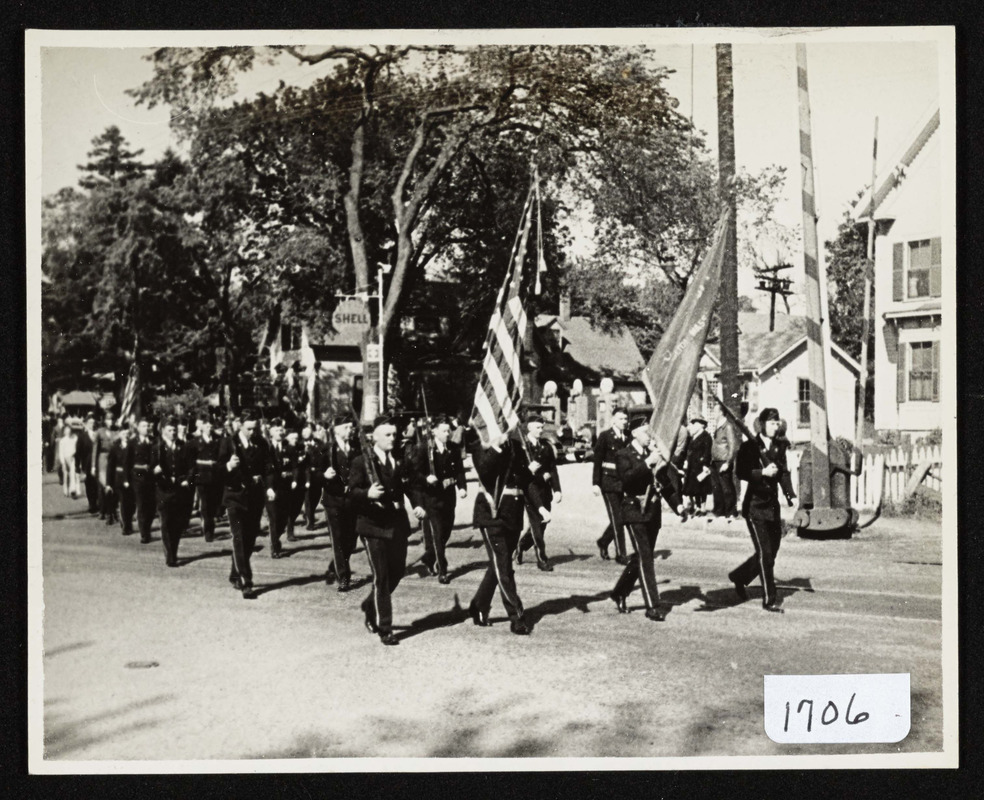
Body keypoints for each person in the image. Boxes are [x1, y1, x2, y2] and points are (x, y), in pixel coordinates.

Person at [348, 416, 426, 646]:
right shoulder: (361, 462)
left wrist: (418, 504)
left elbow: (410, 485)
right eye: (388, 435)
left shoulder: (400, 460)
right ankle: (385, 628)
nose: (394, 438)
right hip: (372, 525)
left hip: (396, 524)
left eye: (395, 434)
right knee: (381, 577)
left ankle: (370, 604)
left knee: (397, 572)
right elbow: (351, 492)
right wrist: (367, 494)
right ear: (375, 438)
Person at [467, 429, 532, 635]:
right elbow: (485, 470)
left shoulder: (515, 446)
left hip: (513, 515)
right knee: (503, 566)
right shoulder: (481, 444)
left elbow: (525, 480)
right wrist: (496, 445)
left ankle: (479, 604)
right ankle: (517, 616)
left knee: (499, 565)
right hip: (491, 514)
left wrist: (539, 508)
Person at [728, 407, 789, 614]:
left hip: (773, 506)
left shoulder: (780, 446)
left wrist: (791, 495)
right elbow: (741, 472)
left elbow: (783, 472)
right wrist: (762, 472)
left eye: (777, 422)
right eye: (772, 423)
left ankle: (740, 577)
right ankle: (769, 599)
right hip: (754, 506)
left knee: (772, 551)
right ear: (762, 425)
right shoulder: (749, 447)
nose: (776, 426)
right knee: (765, 553)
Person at [610, 415, 666, 622]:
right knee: (646, 558)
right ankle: (653, 605)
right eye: (645, 431)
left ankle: (619, 592)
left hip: (652, 512)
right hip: (634, 510)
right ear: (634, 433)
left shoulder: (652, 454)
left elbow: (663, 481)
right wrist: (647, 463)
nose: (648, 435)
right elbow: (627, 479)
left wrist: (678, 504)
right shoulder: (623, 454)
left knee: (642, 557)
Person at [218, 412, 272, 599]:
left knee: (249, 540)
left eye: (254, 428)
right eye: (248, 428)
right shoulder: (228, 443)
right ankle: (246, 581)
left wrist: (270, 487)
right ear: (239, 425)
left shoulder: (261, 443)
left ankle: (235, 572)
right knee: (239, 538)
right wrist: (228, 466)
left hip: (254, 497)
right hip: (235, 496)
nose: (252, 432)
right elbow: (216, 470)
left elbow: (268, 466)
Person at [412, 415, 468, 584]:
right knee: (437, 534)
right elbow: (414, 474)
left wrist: (462, 486)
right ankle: (442, 569)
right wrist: (425, 479)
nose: (447, 433)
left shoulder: (453, 448)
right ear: (434, 431)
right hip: (432, 498)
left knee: (446, 531)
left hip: (449, 497)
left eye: (448, 430)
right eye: (443, 431)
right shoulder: (424, 449)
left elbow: (459, 470)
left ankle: (429, 558)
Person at [515, 416, 562, 571]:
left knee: (542, 525)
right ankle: (542, 559)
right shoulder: (521, 447)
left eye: (542, 427)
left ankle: (521, 546)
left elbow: (552, 469)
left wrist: (557, 490)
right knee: (536, 524)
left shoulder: (546, 447)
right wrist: (529, 471)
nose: (540, 430)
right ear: (529, 428)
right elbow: (518, 474)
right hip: (529, 490)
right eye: (537, 427)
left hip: (544, 491)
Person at [319, 414, 358, 591]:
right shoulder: (326, 449)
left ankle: (336, 565)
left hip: (352, 500)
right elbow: (312, 473)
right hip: (333, 500)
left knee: (351, 539)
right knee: (338, 538)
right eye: (346, 428)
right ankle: (343, 576)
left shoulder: (356, 447)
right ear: (336, 430)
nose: (350, 431)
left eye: (351, 427)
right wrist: (323, 476)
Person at [152, 417, 193, 567]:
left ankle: (174, 551)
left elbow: (191, 467)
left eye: (174, 430)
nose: (173, 433)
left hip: (179, 490)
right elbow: (148, 469)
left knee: (177, 524)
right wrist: (154, 471)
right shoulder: (157, 447)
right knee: (166, 523)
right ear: (163, 431)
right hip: (163, 490)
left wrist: (188, 479)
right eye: (169, 430)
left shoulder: (183, 446)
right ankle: (170, 556)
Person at [592, 406, 630, 564]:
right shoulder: (605, 436)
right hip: (608, 482)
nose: (624, 422)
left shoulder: (628, 437)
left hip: (623, 483)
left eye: (625, 419)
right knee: (617, 518)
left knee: (623, 517)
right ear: (613, 419)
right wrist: (595, 483)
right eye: (621, 419)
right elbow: (597, 461)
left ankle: (603, 541)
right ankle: (621, 554)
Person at [189, 413, 224, 542]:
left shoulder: (218, 439)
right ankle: (208, 531)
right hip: (202, 477)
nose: (209, 428)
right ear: (202, 427)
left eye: (211, 425)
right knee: (205, 504)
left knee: (214, 504)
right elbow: (191, 460)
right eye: (206, 425)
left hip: (215, 477)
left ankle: (210, 524)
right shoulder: (195, 442)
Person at [265, 418, 294, 558]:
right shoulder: (267, 449)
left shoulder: (289, 448)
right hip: (271, 489)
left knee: (283, 519)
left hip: (286, 488)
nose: (280, 433)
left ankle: (276, 538)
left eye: (281, 430)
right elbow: (266, 470)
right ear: (271, 433)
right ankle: (274, 546)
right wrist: (268, 487)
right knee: (274, 518)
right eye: (276, 430)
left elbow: (294, 467)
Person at [125, 418, 157, 544]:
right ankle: (145, 533)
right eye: (143, 426)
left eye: (148, 426)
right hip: (137, 478)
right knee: (142, 505)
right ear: (138, 428)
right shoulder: (132, 443)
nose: (146, 428)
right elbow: (127, 462)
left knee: (151, 507)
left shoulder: (153, 441)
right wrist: (127, 480)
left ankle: (147, 527)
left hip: (151, 478)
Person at [710, 412, 739, 519]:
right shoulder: (718, 426)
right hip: (716, 461)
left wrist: (728, 462)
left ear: (720, 412)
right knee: (717, 487)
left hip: (723, 461)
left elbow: (733, 446)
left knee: (727, 487)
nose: (714, 414)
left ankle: (731, 511)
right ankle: (719, 511)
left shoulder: (728, 427)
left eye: (715, 411)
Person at [107, 424, 135, 536]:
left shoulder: (133, 446)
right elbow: (110, 466)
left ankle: (128, 520)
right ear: (119, 435)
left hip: (132, 478)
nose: (126, 436)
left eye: (128, 434)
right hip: (119, 478)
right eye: (123, 434)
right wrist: (109, 483)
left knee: (132, 504)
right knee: (123, 502)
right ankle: (126, 525)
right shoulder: (115, 448)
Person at [683, 414, 712, 516]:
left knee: (702, 488)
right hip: (692, 466)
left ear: (701, 425)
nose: (694, 426)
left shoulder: (706, 437)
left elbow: (707, 452)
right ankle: (697, 506)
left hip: (700, 466)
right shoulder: (693, 437)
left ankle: (703, 508)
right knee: (693, 488)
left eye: (695, 423)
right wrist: (686, 460)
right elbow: (689, 450)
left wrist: (705, 464)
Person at [283, 426, 307, 541]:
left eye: (296, 438)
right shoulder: (284, 449)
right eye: (292, 438)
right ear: (287, 438)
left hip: (300, 482)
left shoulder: (300, 448)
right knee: (289, 507)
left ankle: (289, 526)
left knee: (297, 507)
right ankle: (289, 532)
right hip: (288, 482)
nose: (295, 440)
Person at [300, 421, 322, 530]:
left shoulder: (319, 443)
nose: (305, 432)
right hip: (305, 476)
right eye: (303, 430)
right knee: (308, 498)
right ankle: (310, 522)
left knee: (316, 497)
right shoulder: (299, 444)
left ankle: (309, 514)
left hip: (317, 475)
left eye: (307, 429)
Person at [76, 412, 100, 513]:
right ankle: (92, 504)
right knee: (89, 484)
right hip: (87, 464)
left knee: (98, 484)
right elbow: (78, 452)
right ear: (86, 424)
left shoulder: (98, 435)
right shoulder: (82, 437)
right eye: (90, 423)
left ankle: (99, 503)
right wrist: (78, 467)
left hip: (98, 464)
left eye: (93, 423)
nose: (92, 425)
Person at [57, 422, 79, 498]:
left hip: (73, 458)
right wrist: (63, 462)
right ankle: (65, 490)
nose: (68, 432)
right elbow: (61, 453)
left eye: (69, 430)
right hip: (65, 458)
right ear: (64, 432)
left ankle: (73, 490)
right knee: (66, 475)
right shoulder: (62, 441)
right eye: (66, 431)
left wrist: (74, 455)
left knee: (73, 474)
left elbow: (76, 448)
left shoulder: (74, 438)